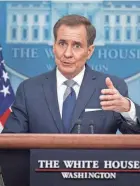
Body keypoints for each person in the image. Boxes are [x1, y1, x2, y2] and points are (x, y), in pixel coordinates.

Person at [2, 14, 140, 134]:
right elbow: (11, 141)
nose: (67, 54)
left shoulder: (110, 89)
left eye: (77, 46)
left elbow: (134, 136)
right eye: (62, 44)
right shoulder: (29, 89)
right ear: (53, 47)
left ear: (89, 51)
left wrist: (128, 109)